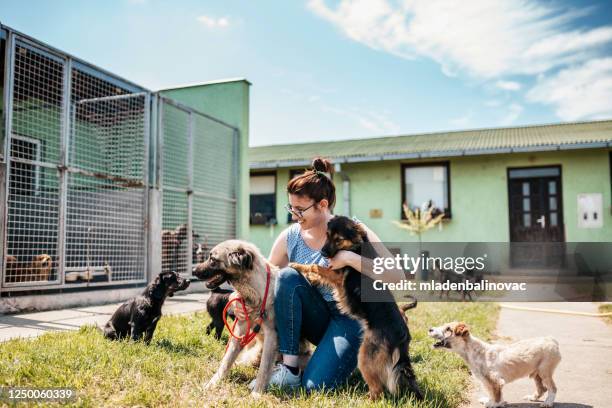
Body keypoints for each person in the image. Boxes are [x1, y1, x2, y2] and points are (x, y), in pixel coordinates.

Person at [238, 157, 403, 391]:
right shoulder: (290, 237)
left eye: (300, 209)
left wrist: (350, 258)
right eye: (291, 208)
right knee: (286, 276)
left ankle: (344, 357)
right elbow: (265, 282)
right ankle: (290, 368)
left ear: (322, 205)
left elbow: (396, 275)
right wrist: (239, 301)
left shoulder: (353, 229)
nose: (294, 215)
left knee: (316, 386)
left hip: (350, 320)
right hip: (313, 317)